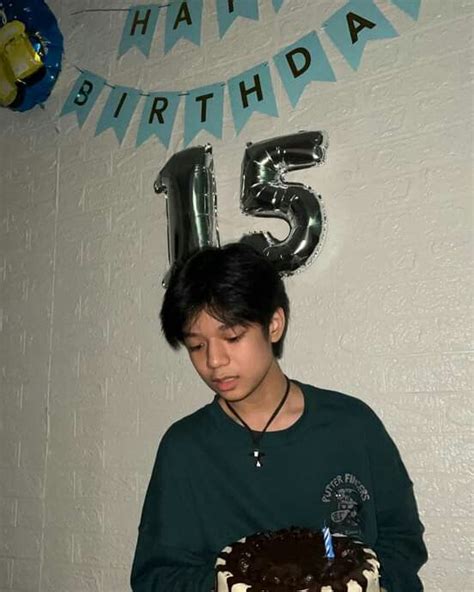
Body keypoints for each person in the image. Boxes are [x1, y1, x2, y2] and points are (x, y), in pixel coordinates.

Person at [130, 242, 427, 591]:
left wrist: (369, 584)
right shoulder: (185, 449)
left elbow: (401, 539)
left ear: (274, 324)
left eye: (232, 337)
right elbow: (157, 576)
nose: (214, 361)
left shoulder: (352, 425)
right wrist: (234, 585)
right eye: (197, 345)